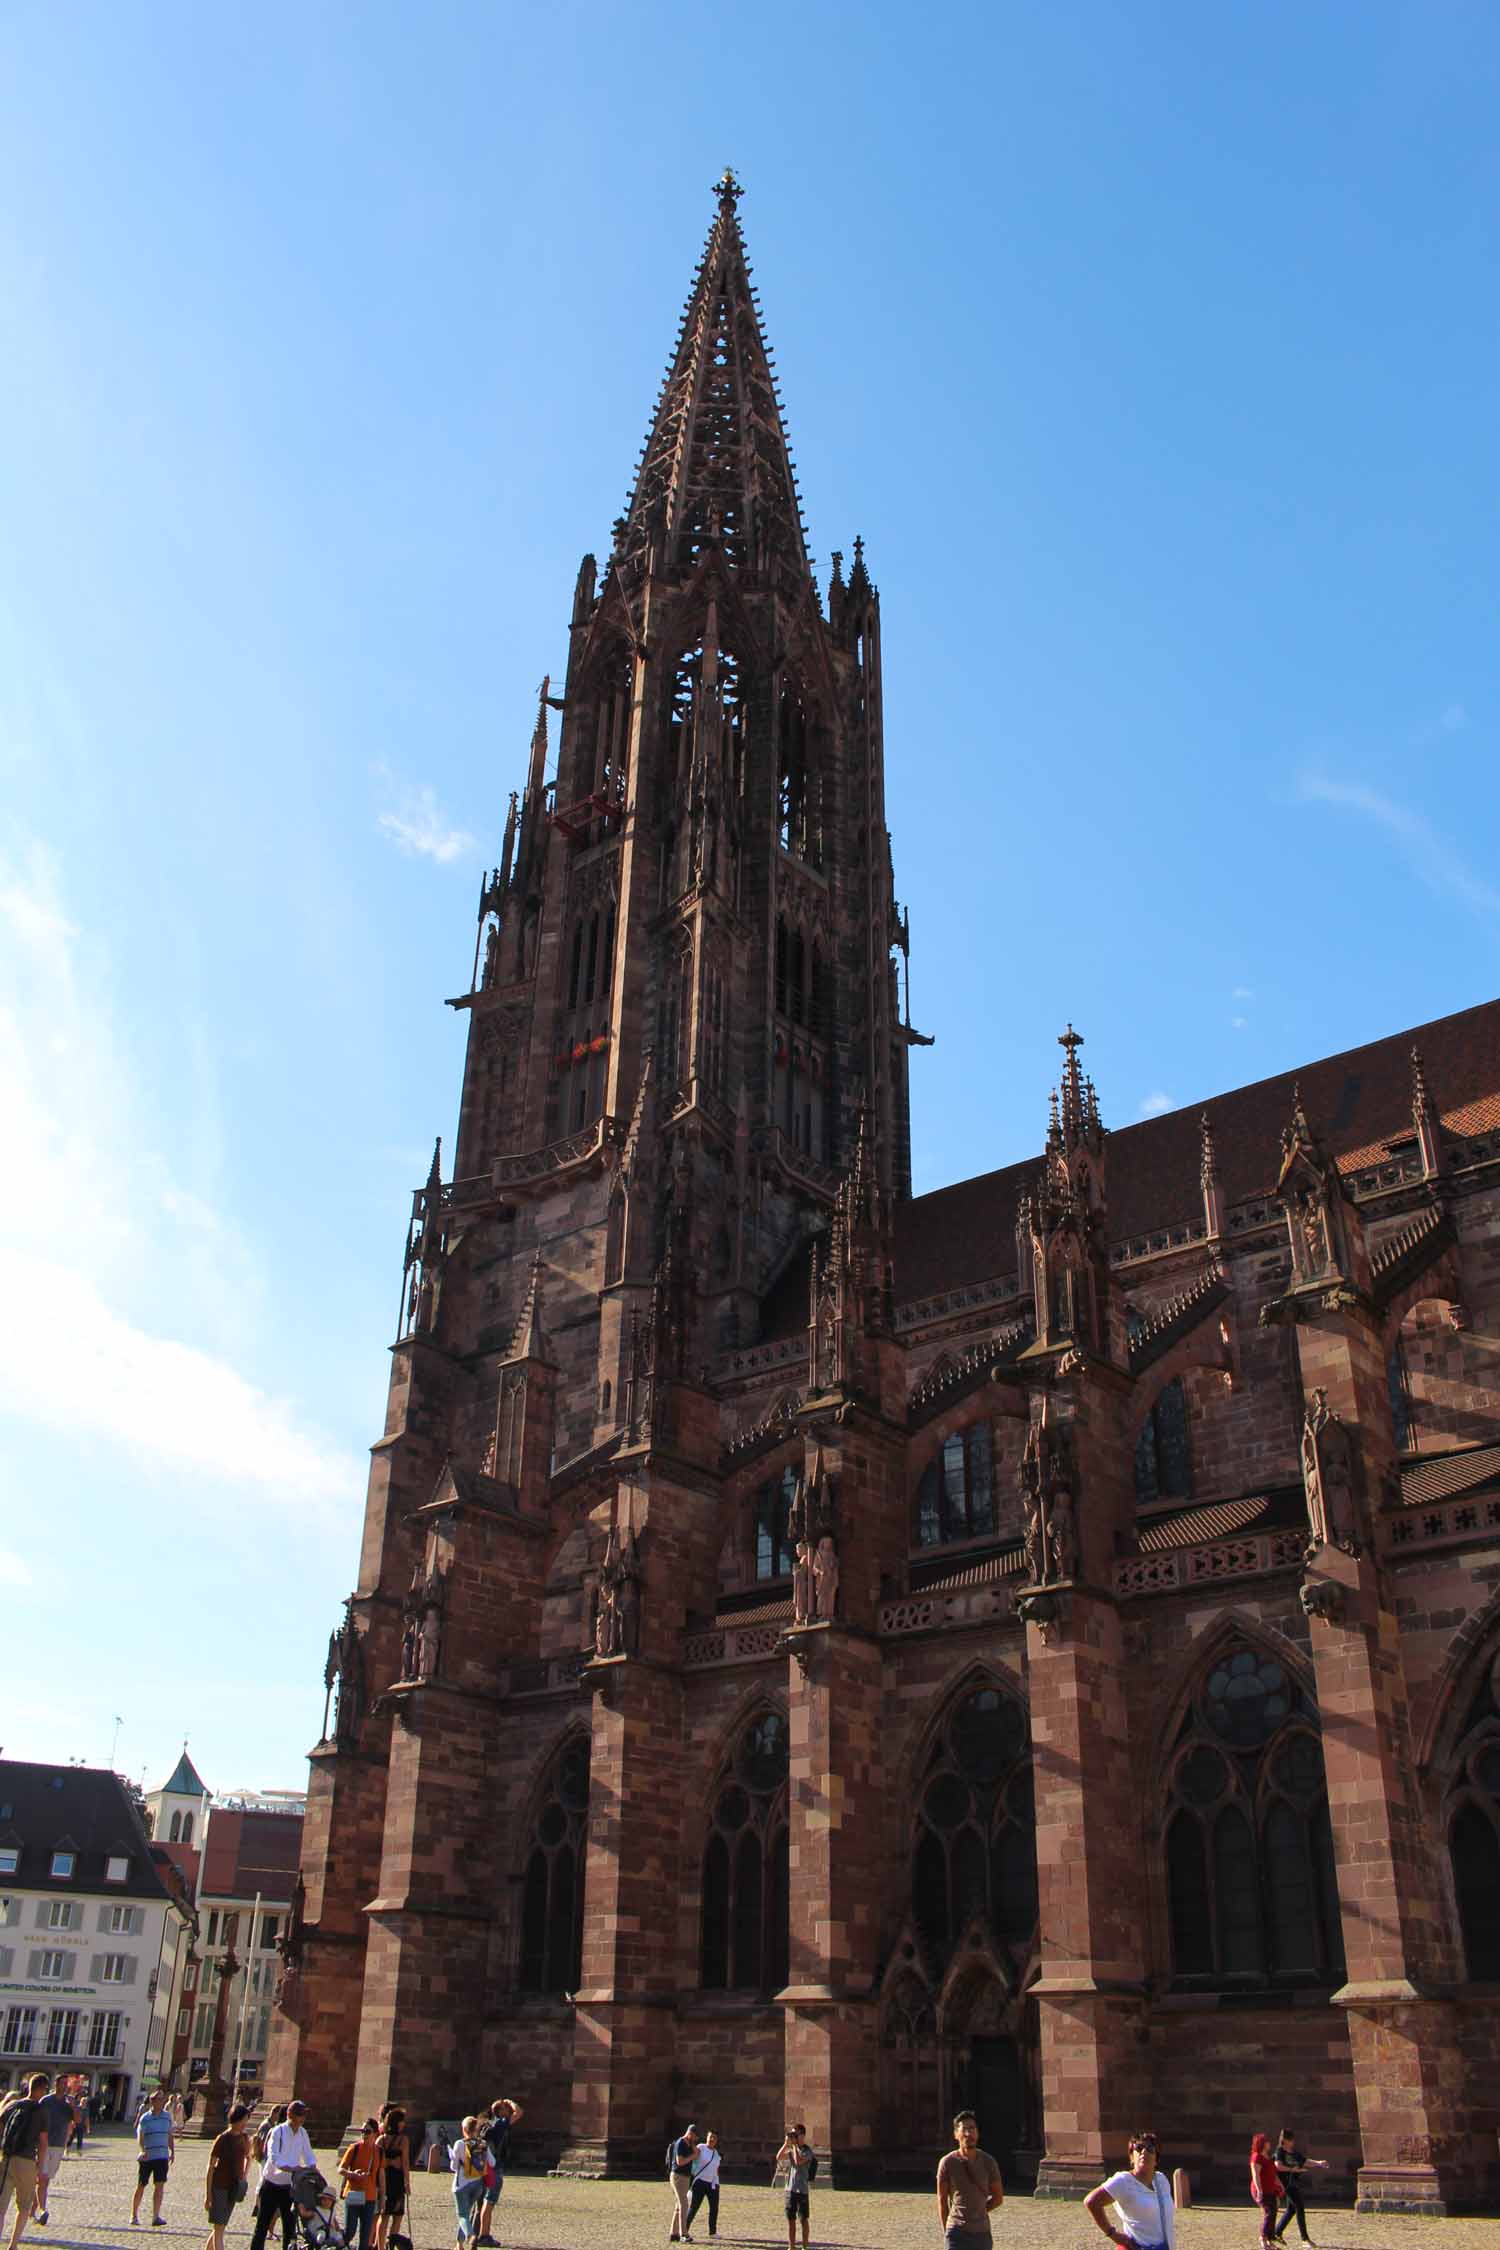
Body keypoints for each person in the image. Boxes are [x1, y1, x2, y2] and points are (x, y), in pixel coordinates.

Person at [1083, 2132, 1175, 2250]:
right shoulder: (1124, 2181)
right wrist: (1112, 2234)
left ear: (1156, 2158)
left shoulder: (1161, 2180)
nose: (1144, 2152)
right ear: (1132, 2157)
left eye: (1150, 2149)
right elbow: (1091, 2201)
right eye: (1139, 2148)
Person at [248, 2102, 314, 2250]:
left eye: (304, 2114)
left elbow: (309, 2156)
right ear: (290, 2115)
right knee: (262, 2226)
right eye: (300, 2114)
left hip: (289, 2187)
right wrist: (291, 2168)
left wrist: (312, 2169)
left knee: (290, 2229)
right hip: (271, 2184)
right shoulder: (278, 2131)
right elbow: (273, 2157)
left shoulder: (303, 2133)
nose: (303, 2118)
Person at [936, 2109, 1003, 2250]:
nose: (968, 2134)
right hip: (956, 2232)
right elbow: (942, 2201)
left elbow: (998, 2198)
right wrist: (947, 2232)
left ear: (977, 2133)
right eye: (964, 2129)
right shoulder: (947, 2163)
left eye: (972, 2128)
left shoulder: (988, 2162)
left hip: (982, 2233)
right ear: (956, 2134)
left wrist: (979, 2211)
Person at [0, 2074, 50, 2250]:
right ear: (42, 2089)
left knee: (1, 2205)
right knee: (24, 2206)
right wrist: (40, 2167)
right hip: (26, 2160)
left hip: (6, 2159)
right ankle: (13, 2245)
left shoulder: (13, 2105)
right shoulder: (41, 2111)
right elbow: (43, 2143)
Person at [474, 2097, 523, 2246]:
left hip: (483, 2166)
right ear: (501, 2111)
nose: (508, 2110)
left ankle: (475, 2234)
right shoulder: (500, 2124)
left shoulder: (485, 2125)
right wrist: (511, 2102)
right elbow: (519, 2113)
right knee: (489, 2202)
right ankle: (484, 2235)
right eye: (505, 2108)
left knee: (481, 2202)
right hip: (495, 2167)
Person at [204, 2102, 252, 2250]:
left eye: (246, 2120)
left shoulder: (244, 2138)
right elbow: (211, 2167)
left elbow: (249, 2157)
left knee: (221, 2226)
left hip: (234, 2187)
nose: (245, 2123)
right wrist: (208, 2195)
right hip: (219, 2186)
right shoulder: (222, 2139)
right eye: (244, 2120)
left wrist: (244, 2175)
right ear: (236, 2119)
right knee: (219, 2227)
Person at [132, 2088, 176, 2229]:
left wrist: (172, 2150)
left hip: (162, 2156)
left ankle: (156, 2216)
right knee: (141, 2185)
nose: (162, 2101)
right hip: (148, 2157)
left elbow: (169, 2134)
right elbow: (140, 2136)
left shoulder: (167, 2117)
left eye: (163, 2098)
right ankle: (134, 2215)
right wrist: (143, 2150)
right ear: (152, 2101)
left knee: (159, 2186)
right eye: (159, 2098)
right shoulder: (145, 2118)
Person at [31, 2081, 74, 2224]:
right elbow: (36, 2119)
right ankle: (43, 2210)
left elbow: (77, 2120)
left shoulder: (68, 2104)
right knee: (42, 2179)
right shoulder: (46, 2101)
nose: (65, 2086)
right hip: (45, 2144)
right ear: (56, 2085)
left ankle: (32, 2210)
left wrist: (73, 2106)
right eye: (62, 2083)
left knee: (45, 2180)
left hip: (59, 2145)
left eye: (66, 2084)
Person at [1271, 2129, 1324, 2245]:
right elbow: (1278, 2166)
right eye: (1291, 2139)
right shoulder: (1280, 2151)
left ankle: (1277, 2232)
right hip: (1286, 2184)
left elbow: (1305, 2161)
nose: (1293, 2142)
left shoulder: (1293, 2152)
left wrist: (1318, 2163)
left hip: (1294, 2183)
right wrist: (1292, 2169)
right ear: (1285, 2140)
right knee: (1299, 2206)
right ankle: (1305, 2238)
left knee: (1291, 2209)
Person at [338, 2119, 382, 2250]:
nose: (364, 2134)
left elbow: (381, 2175)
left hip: (370, 2197)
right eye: (362, 2131)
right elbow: (340, 2169)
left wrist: (383, 2196)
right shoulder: (354, 2148)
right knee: (349, 2231)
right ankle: (335, 2246)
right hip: (353, 2194)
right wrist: (352, 2174)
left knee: (365, 2235)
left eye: (367, 2131)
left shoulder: (379, 2151)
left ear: (375, 2133)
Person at [449, 2117, 488, 2250]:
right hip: (477, 2184)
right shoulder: (482, 2143)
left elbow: (453, 2167)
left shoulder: (460, 2143)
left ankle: (471, 2235)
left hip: (462, 2184)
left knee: (462, 2215)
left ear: (464, 2129)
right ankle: (459, 2244)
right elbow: (492, 2162)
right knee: (466, 2213)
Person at [374, 2108, 409, 2250]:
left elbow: (376, 2160)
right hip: (395, 2179)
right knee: (395, 2215)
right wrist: (407, 2182)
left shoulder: (381, 2139)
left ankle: (381, 2246)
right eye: (402, 2121)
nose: (404, 2124)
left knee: (385, 2215)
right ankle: (390, 2243)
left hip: (384, 2178)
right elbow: (405, 2163)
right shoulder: (403, 2140)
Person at [775, 2124, 812, 2250]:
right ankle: (791, 2247)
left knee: (803, 2219)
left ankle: (805, 2246)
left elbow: (798, 2162)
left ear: (802, 2135)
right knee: (791, 2219)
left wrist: (795, 2145)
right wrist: (786, 2144)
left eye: (795, 2134)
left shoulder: (807, 2151)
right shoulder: (792, 2149)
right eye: (792, 2134)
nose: (793, 2137)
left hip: (802, 2189)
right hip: (790, 2189)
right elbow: (779, 2157)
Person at [687, 2130, 721, 2240]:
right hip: (700, 2182)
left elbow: (716, 2170)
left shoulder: (716, 2154)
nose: (712, 2140)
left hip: (713, 2184)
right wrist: (691, 2141)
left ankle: (712, 2232)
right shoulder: (701, 2147)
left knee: (714, 2208)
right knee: (694, 2207)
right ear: (706, 2137)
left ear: (716, 2140)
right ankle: (684, 2229)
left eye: (714, 2138)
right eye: (710, 2137)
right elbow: (693, 2153)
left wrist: (716, 2184)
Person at [667, 2123, 697, 2243]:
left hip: (685, 2177)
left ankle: (673, 2234)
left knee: (679, 2206)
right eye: (695, 2137)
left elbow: (697, 2153)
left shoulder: (689, 2143)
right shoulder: (680, 2143)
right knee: (684, 2205)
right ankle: (683, 2234)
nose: (695, 2140)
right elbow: (680, 2162)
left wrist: (693, 2145)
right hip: (678, 2177)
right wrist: (691, 2157)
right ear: (690, 2133)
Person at [1250, 2134, 1280, 2246]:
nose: (1269, 2143)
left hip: (1270, 2189)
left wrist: (1280, 2186)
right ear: (1262, 2143)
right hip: (1260, 2190)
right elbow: (1255, 2175)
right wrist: (1259, 2190)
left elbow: (1273, 2174)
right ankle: (1263, 2237)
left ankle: (1269, 2240)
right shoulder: (1256, 2157)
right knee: (1269, 2212)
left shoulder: (1268, 2157)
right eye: (1267, 2141)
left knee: (1273, 2212)